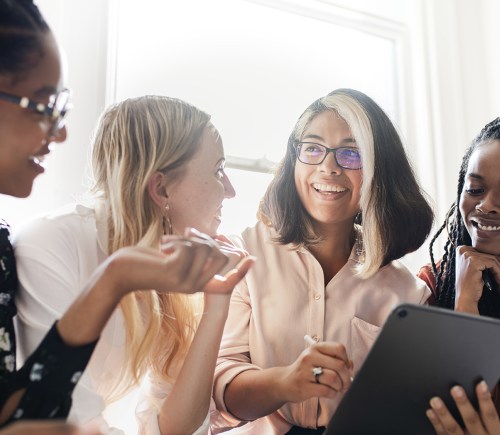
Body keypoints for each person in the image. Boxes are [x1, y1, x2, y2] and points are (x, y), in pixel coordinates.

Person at [0, 1, 252, 434]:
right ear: (160, 189)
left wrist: (217, 303)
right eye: (43, 106)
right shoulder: (45, 244)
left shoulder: (162, 273)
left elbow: (173, 426)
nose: (60, 133)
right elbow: (51, 419)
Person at [211, 88, 434, 434]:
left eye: (351, 153)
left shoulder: (409, 293)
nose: (328, 167)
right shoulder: (245, 256)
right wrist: (285, 382)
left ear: (379, 169)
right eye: (312, 149)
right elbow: (220, 392)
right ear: (294, 160)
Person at [418, 117, 500, 435]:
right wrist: (464, 303)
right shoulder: (430, 284)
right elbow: (444, 411)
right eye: (475, 189)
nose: (487, 205)